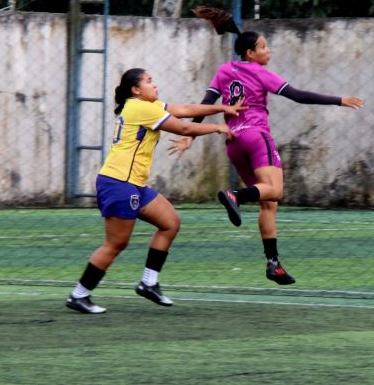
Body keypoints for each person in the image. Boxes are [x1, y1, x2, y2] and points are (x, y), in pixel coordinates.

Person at [170, 5, 363, 286]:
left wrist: (191, 135)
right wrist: (339, 100)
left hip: (234, 143)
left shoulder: (224, 71)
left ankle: (274, 264)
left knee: (268, 203)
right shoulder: (261, 73)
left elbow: (205, 105)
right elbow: (297, 95)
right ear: (250, 54)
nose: (268, 51)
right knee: (276, 190)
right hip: (256, 137)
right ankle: (235, 196)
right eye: (263, 47)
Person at [66, 67, 243, 314]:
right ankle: (79, 295)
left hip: (133, 183)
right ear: (136, 90)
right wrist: (217, 128)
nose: (155, 85)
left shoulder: (145, 106)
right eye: (149, 82)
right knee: (116, 243)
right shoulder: (140, 108)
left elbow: (185, 109)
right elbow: (182, 127)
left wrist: (222, 108)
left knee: (170, 223)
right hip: (119, 183)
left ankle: (148, 283)